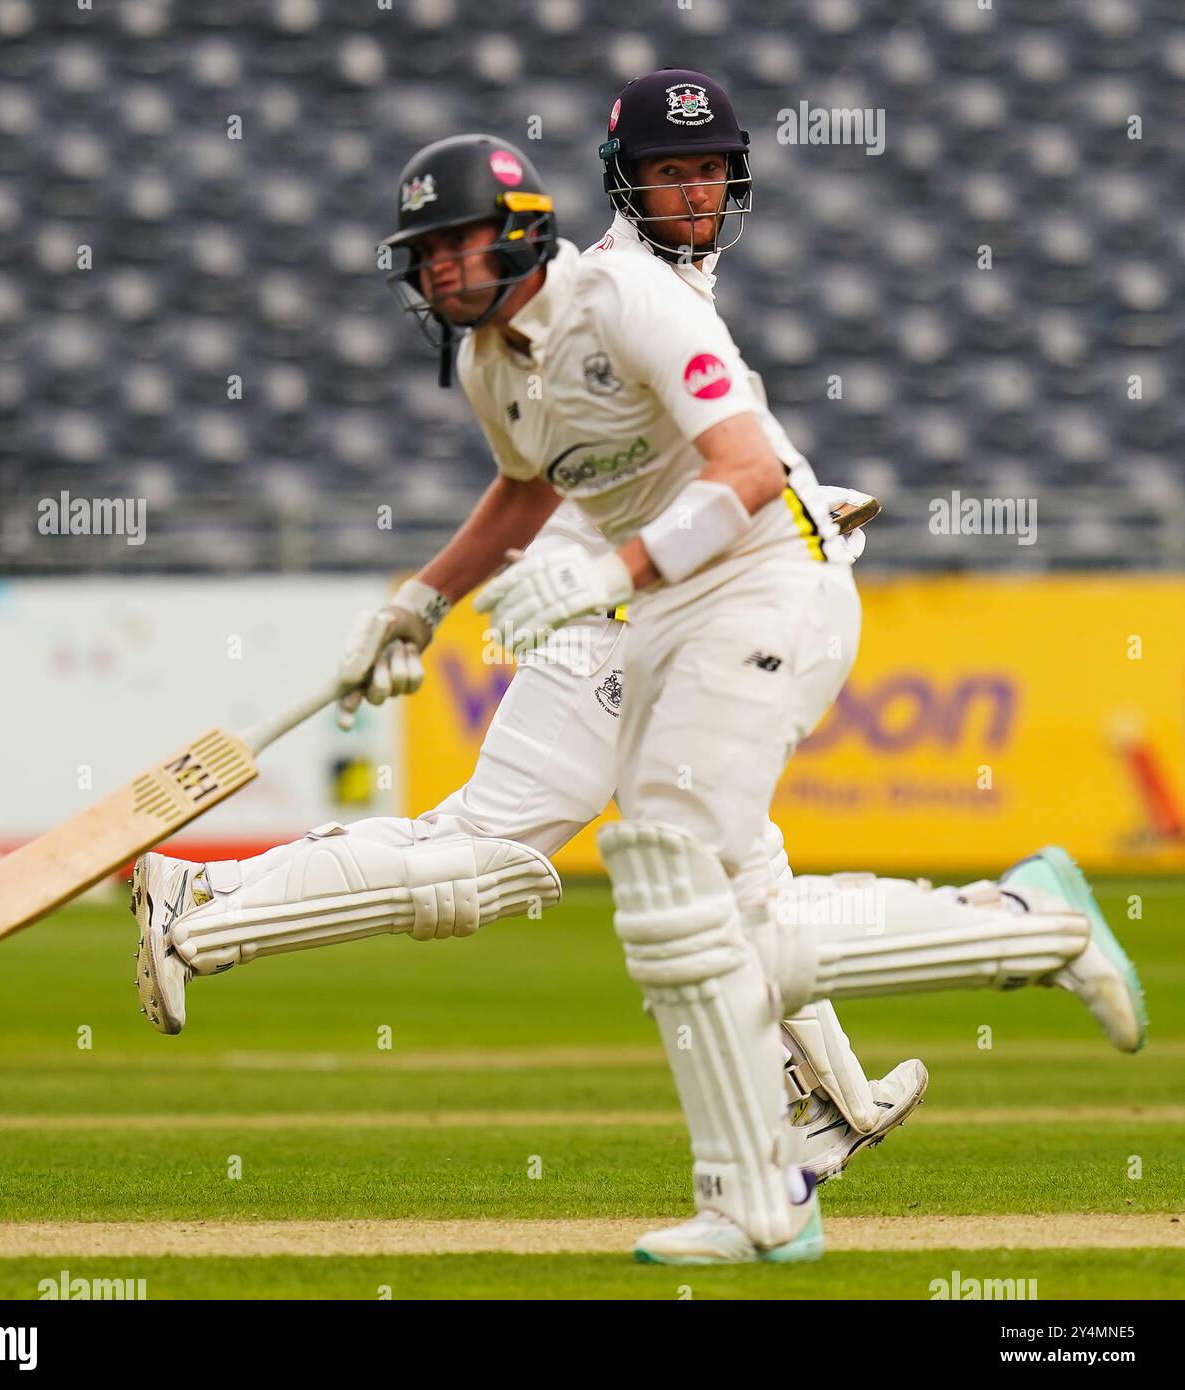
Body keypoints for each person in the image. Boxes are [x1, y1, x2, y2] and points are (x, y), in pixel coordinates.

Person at [132, 119, 1146, 1266]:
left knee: (701, 912)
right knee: (679, 908)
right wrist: (420, 599)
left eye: (461, 248)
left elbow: (751, 469)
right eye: (425, 256)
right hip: (670, 618)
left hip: (769, 591)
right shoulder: (485, 362)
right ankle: (766, 1191)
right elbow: (522, 491)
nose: (440, 273)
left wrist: (602, 572)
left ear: (521, 237)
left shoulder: (626, 298)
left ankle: (1026, 921)